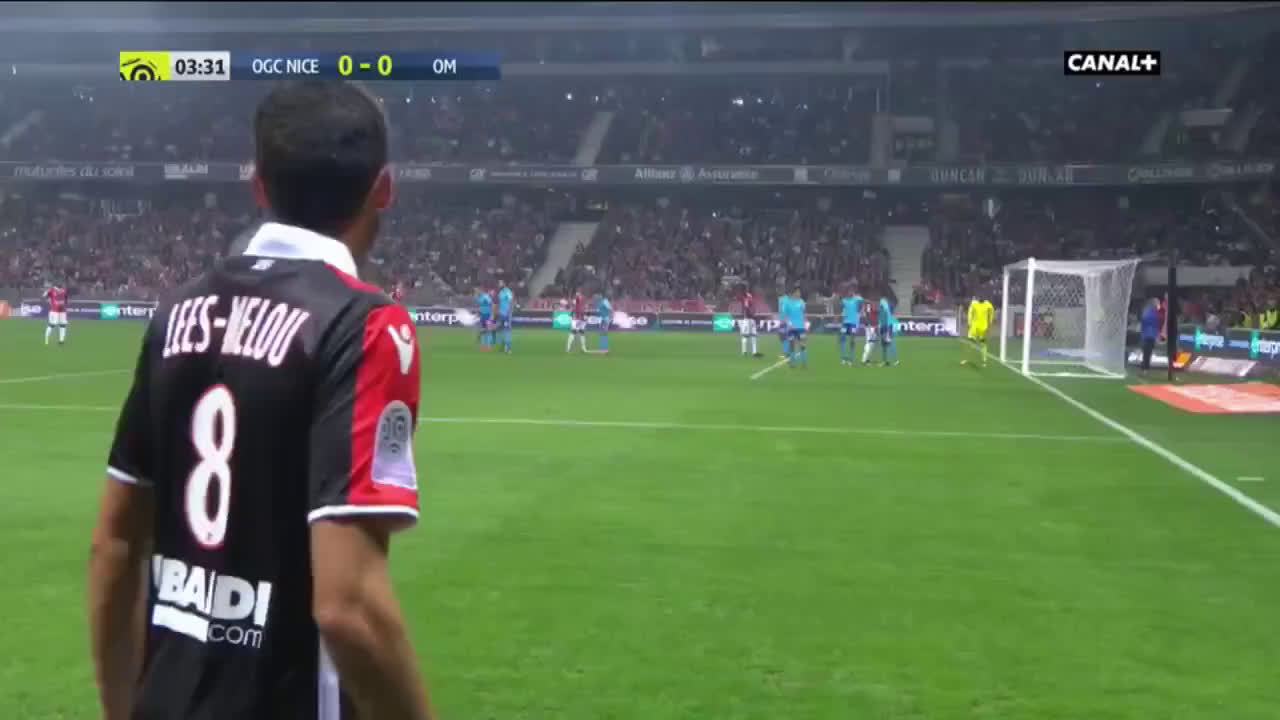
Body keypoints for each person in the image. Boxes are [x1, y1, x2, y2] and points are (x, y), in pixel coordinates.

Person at [87, 80, 435, 720]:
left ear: (258, 185)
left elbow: (114, 547)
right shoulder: (364, 324)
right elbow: (349, 606)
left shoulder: (177, 310)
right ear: (384, 189)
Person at [962, 292, 995, 367]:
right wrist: (969, 323)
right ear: (978, 297)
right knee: (970, 341)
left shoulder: (988, 304)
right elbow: (970, 313)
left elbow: (991, 313)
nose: (981, 298)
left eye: (982, 297)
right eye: (980, 297)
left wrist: (990, 323)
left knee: (983, 344)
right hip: (974, 327)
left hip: (983, 327)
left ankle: (984, 361)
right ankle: (966, 359)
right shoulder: (974, 303)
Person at [839, 287, 864, 367]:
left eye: (852, 291)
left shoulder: (856, 300)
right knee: (842, 338)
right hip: (845, 323)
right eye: (849, 291)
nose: (850, 293)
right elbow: (840, 305)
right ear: (847, 293)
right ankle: (843, 358)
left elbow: (862, 302)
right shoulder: (844, 300)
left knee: (852, 340)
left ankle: (851, 358)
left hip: (853, 323)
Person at [786, 285, 808, 369]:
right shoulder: (788, 303)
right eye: (798, 292)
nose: (799, 293)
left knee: (802, 344)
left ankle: (804, 363)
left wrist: (805, 325)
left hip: (801, 328)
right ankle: (792, 363)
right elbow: (786, 315)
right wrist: (790, 324)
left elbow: (804, 314)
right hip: (791, 328)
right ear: (794, 293)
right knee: (792, 345)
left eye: (800, 292)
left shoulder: (801, 302)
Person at [1139, 296, 1160, 373]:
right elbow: (1146, 323)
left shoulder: (1152, 312)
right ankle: (1145, 368)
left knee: (1148, 352)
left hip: (1149, 335)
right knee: (1147, 352)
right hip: (1148, 335)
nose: (1158, 304)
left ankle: (1145, 368)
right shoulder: (1150, 312)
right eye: (1157, 303)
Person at [740, 287, 761, 357]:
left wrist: (754, 316)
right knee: (745, 336)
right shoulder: (747, 298)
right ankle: (744, 352)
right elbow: (746, 309)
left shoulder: (749, 298)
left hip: (751, 319)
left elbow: (749, 308)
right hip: (748, 319)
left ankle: (754, 352)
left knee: (753, 336)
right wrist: (752, 316)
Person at [878, 295, 899, 366]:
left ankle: (896, 360)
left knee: (889, 342)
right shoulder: (884, 304)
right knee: (884, 344)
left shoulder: (883, 303)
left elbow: (886, 312)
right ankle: (885, 361)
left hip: (886, 326)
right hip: (884, 325)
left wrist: (885, 326)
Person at [497, 279, 514, 354]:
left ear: (504, 284)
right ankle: (504, 346)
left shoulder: (508, 291)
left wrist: (509, 312)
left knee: (507, 330)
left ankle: (509, 348)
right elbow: (500, 302)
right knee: (501, 330)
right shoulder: (500, 292)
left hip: (506, 314)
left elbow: (511, 302)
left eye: (500, 283)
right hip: (501, 313)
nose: (498, 284)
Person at [475, 285, 494, 350]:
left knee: (488, 330)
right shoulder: (478, 297)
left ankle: (489, 346)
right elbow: (479, 305)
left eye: (477, 291)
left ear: (480, 290)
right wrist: (478, 313)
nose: (476, 292)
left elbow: (491, 304)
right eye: (475, 291)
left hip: (487, 315)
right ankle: (483, 345)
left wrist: (492, 315)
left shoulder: (486, 296)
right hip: (482, 315)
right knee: (482, 330)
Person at [862, 295, 878, 365]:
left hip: (871, 325)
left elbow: (868, 314)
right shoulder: (868, 305)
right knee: (870, 342)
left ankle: (867, 359)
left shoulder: (868, 305)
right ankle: (864, 360)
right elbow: (868, 315)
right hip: (870, 326)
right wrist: (869, 324)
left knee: (872, 343)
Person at [776, 291, 791, 360]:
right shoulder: (787, 299)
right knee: (785, 337)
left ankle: (785, 353)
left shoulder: (782, 300)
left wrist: (783, 320)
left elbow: (783, 310)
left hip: (784, 321)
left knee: (783, 337)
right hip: (787, 321)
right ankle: (788, 352)